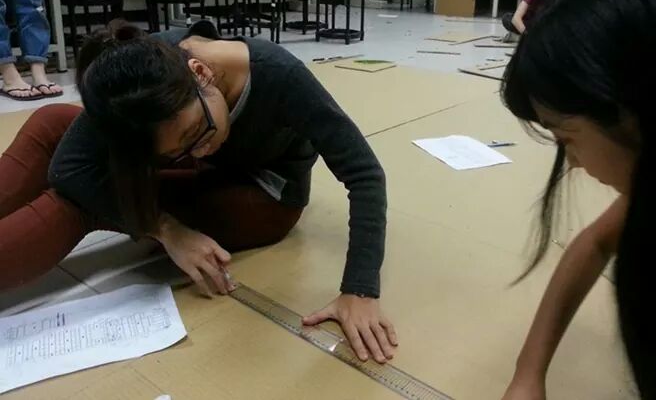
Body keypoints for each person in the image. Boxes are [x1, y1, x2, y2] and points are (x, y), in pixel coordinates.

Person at [0, 20, 395, 364]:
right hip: (210, 171)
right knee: (53, 121)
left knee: (81, 201)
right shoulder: (153, 65)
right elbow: (68, 166)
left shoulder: (281, 76)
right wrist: (166, 228)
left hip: (262, 194)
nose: (199, 149)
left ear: (201, 72)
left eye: (195, 133)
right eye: (176, 150)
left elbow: (365, 174)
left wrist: (360, 291)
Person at [499, 0, 656, 399]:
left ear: (628, 114)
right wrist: (528, 374)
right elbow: (596, 243)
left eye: (566, 138)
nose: (572, 164)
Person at [501, 0, 568, 36]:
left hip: (548, 26)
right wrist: (528, 36)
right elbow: (516, 18)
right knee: (507, 18)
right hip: (531, 22)